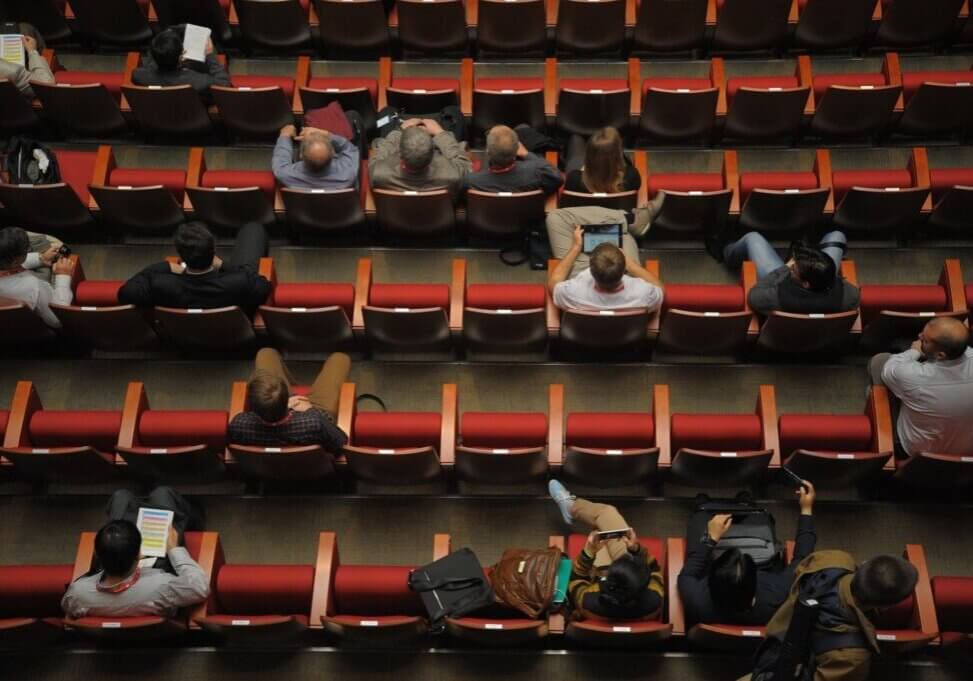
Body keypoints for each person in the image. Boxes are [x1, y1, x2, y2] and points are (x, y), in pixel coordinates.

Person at [739, 551, 918, 681]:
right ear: (888, 606)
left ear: (863, 563)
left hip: (774, 645)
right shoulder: (852, 656)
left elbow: (799, 570)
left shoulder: (833, 560)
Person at [678, 482, 818, 626]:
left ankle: (704, 507)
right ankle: (745, 505)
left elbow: (689, 571)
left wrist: (710, 539)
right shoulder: (777, 596)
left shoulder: (696, 601)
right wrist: (806, 509)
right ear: (755, 580)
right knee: (760, 519)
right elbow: (803, 559)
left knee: (700, 519)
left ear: (712, 579)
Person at [61, 487, 209, 619]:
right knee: (163, 493)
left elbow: (69, 607)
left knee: (121, 496)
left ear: (97, 555)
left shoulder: (78, 594)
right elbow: (199, 587)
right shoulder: (161, 587)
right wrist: (173, 549)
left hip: (127, 582)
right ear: (139, 555)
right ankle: (194, 516)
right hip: (157, 569)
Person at [548, 481, 664, 620]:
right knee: (605, 528)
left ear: (608, 580)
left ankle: (571, 507)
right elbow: (654, 570)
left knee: (602, 523)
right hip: (625, 592)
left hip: (597, 581)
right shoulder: (653, 599)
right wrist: (636, 550)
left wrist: (588, 553)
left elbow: (576, 580)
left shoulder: (588, 600)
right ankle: (571, 508)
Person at [868, 317, 973, 457]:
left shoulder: (913, 377)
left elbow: (888, 370)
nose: (919, 337)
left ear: (941, 355)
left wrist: (914, 351)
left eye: (924, 340)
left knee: (880, 362)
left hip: (915, 450)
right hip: (966, 451)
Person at [117, 221, 271, 309]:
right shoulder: (240, 281)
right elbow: (264, 287)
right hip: (234, 334)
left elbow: (124, 293)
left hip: (182, 338)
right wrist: (224, 265)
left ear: (181, 256)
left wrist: (166, 266)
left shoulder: (160, 284)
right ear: (214, 251)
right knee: (253, 228)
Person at [228, 348, 351, 452]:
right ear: (286, 398)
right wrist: (310, 409)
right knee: (340, 358)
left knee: (265, 352)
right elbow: (341, 442)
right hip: (311, 413)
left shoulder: (238, 425)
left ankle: (294, 384)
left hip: (268, 467)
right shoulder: (314, 422)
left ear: (252, 405)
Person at [723, 232, 860, 316]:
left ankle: (726, 251)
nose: (792, 266)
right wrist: (822, 270)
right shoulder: (850, 297)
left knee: (752, 238)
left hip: (780, 282)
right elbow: (841, 284)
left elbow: (753, 295)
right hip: (821, 286)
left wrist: (785, 268)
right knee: (838, 236)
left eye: (794, 268)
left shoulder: (774, 297)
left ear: (806, 283)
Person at [547, 218, 664, 312]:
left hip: (583, 335)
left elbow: (554, 283)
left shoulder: (572, 293)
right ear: (624, 270)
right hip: (628, 336)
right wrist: (632, 266)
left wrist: (576, 247)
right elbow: (661, 289)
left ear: (590, 271)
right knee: (626, 236)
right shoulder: (644, 293)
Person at [368, 118, 472, 201]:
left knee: (387, 113)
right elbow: (464, 163)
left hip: (394, 219)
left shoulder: (377, 174)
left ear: (399, 153)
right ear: (433, 154)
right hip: (439, 219)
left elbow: (378, 156)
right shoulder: (454, 176)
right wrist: (439, 132)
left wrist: (399, 131)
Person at [132, 26, 231, 102]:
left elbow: (151, 65)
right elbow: (223, 83)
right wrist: (210, 55)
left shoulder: (139, 76)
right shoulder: (198, 81)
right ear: (181, 57)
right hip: (192, 116)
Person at [0, 227, 73, 328]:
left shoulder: (9, 264)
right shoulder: (32, 285)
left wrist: (41, 258)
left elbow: (10, 265)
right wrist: (63, 275)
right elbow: (57, 320)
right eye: (27, 250)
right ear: (15, 261)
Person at [465, 125, 562, 195]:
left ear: (487, 152)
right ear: (517, 150)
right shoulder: (536, 172)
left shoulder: (471, 181)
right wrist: (527, 154)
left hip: (485, 220)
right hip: (527, 218)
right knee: (523, 127)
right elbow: (557, 178)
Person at [272, 123, 360, 190]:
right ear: (333, 153)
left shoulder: (284, 174)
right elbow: (350, 148)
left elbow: (280, 160)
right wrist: (326, 134)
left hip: (305, 211)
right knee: (352, 115)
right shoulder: (348, 174)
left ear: (301, 155)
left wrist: (285, 135)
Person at [563, 127, 641, 195]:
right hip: (615, 211)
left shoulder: (574, 179)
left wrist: (585, 170)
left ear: (588, 157)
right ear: (618, 155)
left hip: (585, 211)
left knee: (575, 138)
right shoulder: (631, 177)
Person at [0, 26, 54, 99]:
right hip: (16, 104)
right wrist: (32, 52)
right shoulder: (12, 71)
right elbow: (46, 86)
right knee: (26, 28)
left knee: (24, 26)